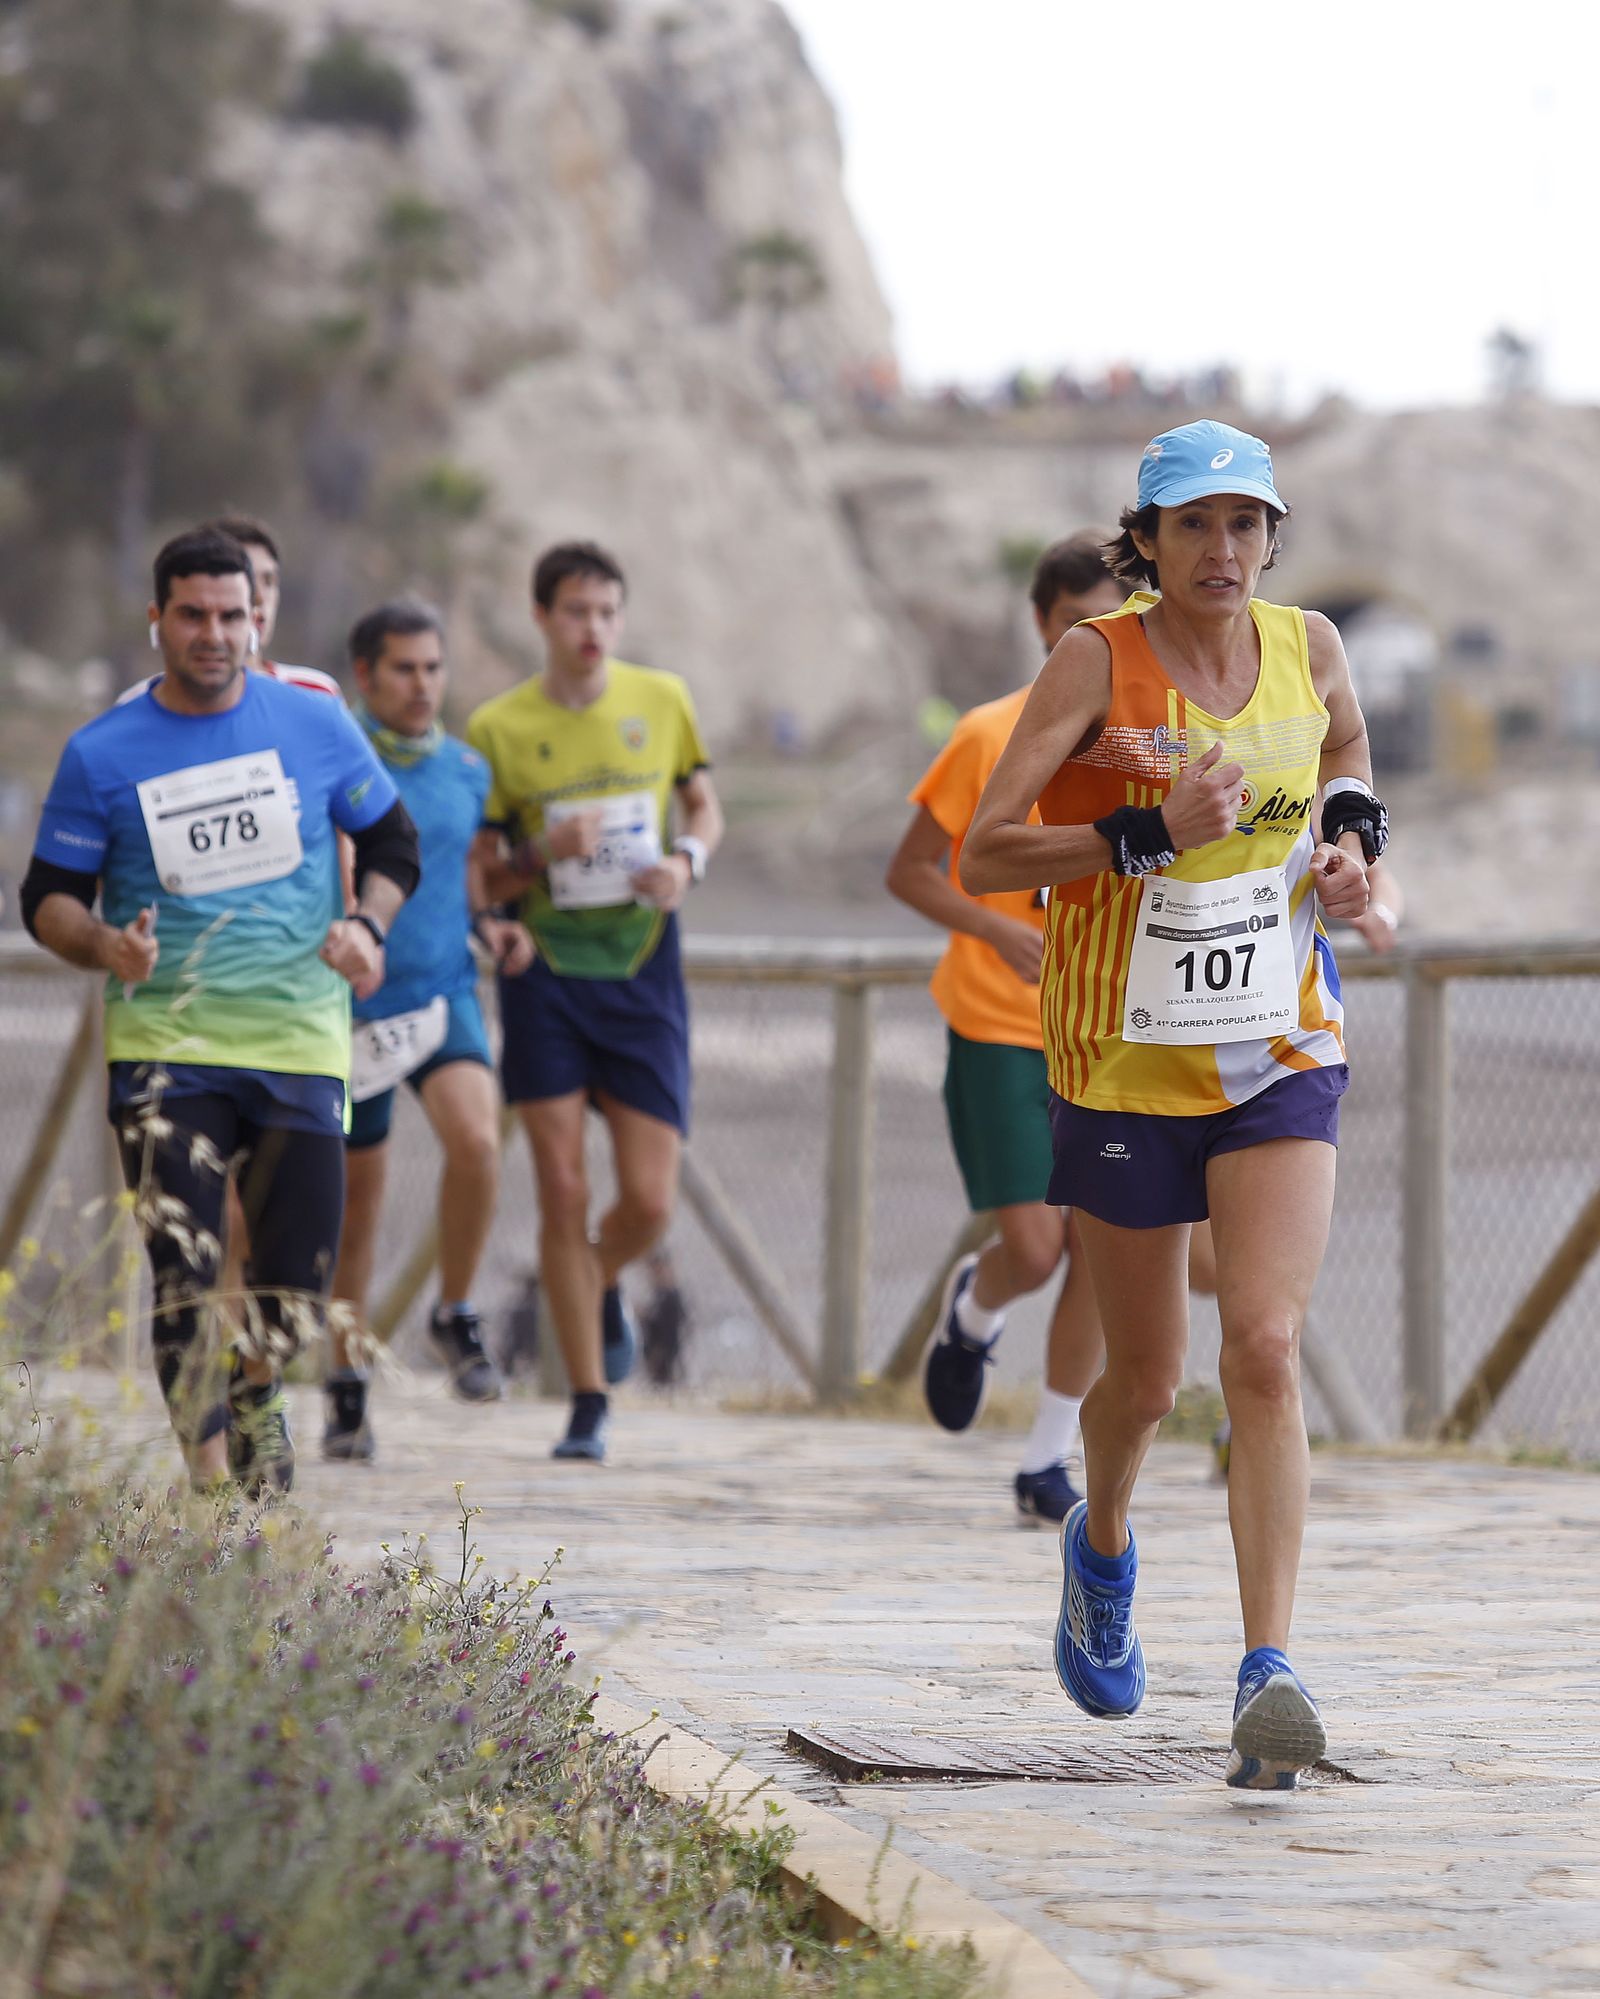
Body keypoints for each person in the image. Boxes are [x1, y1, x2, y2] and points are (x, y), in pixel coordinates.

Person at [963, 420, 1385, 1790]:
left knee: (1262, 1344)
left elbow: (1350, 748)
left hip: (1280, 1039)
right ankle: (1104, 1543)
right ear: (1142, 539)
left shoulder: (1308, 643)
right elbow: (985, 851)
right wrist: (1144, 832)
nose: (1222, 548)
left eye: (1245, 523)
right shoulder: (1094, 658)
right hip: (1124, 1060)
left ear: (1273, 535)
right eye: (1192, 524)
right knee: (1143, 1379)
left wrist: (1350, 845)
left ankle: (1270, 1666)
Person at [20, 528, 420, 1494]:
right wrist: (105, 945)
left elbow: (396, 842)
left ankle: (255, 1385)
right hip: (166, 1045)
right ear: (156, 618)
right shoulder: (102, 752)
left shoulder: (315, 724)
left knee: (292, 1287)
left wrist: (367, 925)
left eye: (231, 615)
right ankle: (209, 1489)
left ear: (257, 619)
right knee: (186, 1270)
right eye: (192, 614)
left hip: (299, 1040)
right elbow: (46, 900)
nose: (213, 634)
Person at [468, 541, 723, 1464]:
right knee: (564, 1185)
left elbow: (704, 806)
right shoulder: (498, 727)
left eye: (608, 612)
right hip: (543, 974)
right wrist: (544, 851)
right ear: (543, 617)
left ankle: (595, 1279)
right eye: (576, 612)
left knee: (649, 1201)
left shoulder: (661, 700)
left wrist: (685, 863)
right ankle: (586, 1400)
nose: (593, 630)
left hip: (645, 965)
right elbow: (480, 868)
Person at [886, 532, 1123, 1524]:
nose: (1089, 641)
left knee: (1104, 1252)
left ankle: (1045, 1458)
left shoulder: (1138, 738)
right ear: (1041, 625)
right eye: (1074, 623)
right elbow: (909, 870)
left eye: (1108, 625)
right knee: (1033, 1248)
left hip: (1108, 1033)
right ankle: (974, 1311)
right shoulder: (988, 733)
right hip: (994, 1025)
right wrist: (992, 927)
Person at [323, 599, 534, 1462]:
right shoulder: (339, 763)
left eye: (433, 667)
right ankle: (345, 1385)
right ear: (365, 676)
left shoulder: (470, 771)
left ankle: (454, 1312)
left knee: (479, 1142)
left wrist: (495, 927)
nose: (422, 684)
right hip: (358, 1010)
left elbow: (471, 868)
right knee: (359, 1213)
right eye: (403, 669)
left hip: (444, 993)